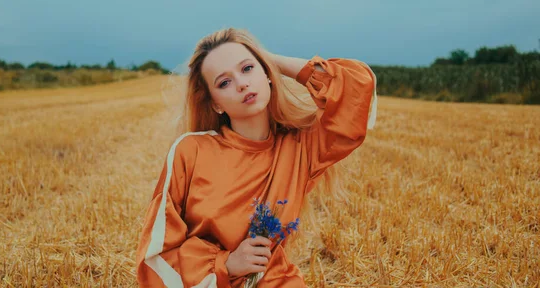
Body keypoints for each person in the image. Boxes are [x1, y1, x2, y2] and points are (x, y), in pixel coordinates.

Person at [135, 27, 377, 287]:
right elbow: (155, 255)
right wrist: (225, 264)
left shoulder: (301, 147)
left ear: (268, 73)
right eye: (224, 82)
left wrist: (271, 60)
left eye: (248, 68)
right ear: (216, 103)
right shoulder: (190, 150)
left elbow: (357, 89)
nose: (241, 83)